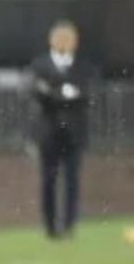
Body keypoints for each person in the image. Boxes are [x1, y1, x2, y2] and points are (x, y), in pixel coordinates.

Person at [29, 20, 97, 239]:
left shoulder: (83, 66)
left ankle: (69, 225)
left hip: (74, 133)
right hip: (49, 133)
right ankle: (50, 227)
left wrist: (55, 94)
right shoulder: (40, 65)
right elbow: (39, 93)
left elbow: (84, 96)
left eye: (69, 38)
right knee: (48, 180)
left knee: (72, 180)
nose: (65, 42)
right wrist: (65, 94)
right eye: (61, 38)